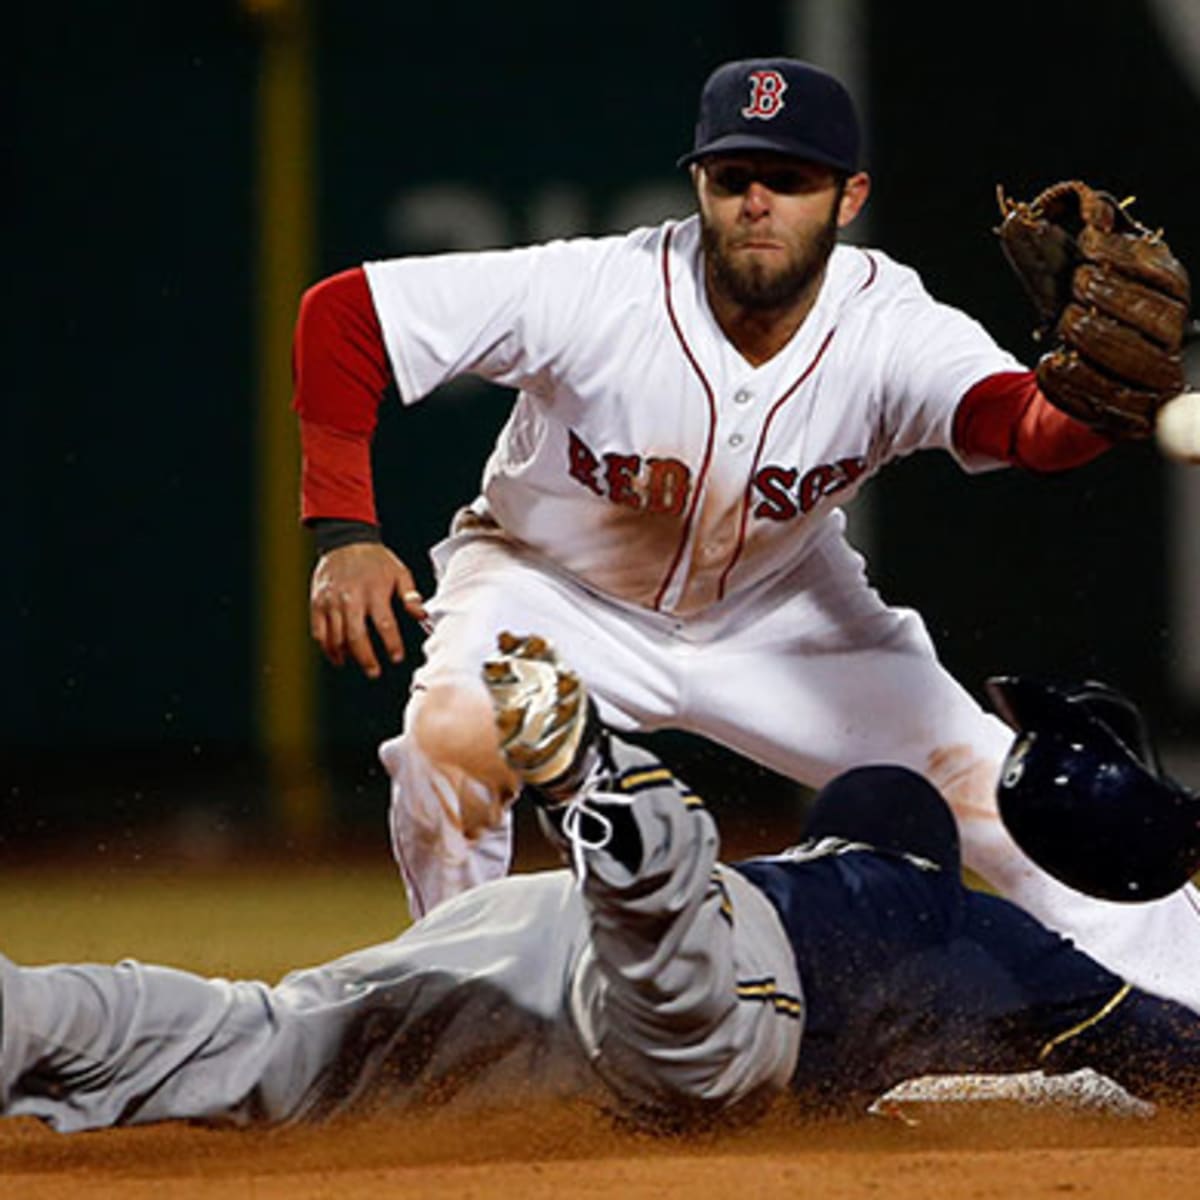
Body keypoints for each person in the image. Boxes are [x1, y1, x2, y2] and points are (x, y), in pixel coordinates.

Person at [290, 55, 1200, 1009]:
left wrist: (1092, 408)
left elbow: (1021, 428)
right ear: (700, 185)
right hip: (545, 587)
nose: (757, 203)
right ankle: (453, 1017)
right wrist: (344, 530)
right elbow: (345, 316)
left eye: (791, 180)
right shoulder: (600, 290)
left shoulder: (888, 325)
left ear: (849, 198)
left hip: (782, 616)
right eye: (733, 178)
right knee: (453, 734)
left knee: (1001, 795)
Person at [3, 635, 1199, 1136]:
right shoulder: (970, 931)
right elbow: (1177, 1059)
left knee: (262, 1040)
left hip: (526, 940)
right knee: (680, 989)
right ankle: (603, 782)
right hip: (697, 977)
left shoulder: (847, 889)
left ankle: (31, 1014)